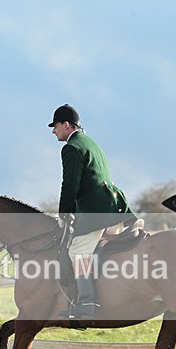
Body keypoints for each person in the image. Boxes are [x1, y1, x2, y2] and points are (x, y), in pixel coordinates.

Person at [50, 104, 134, 318]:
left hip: (97, 210)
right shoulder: (91, 143)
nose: (54, 131)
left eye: (56, 126)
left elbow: (70, 185)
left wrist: (64, 213)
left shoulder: (71, 147)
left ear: (66, 125)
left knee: (77, 251)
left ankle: (87, 304)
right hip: (115, 205)